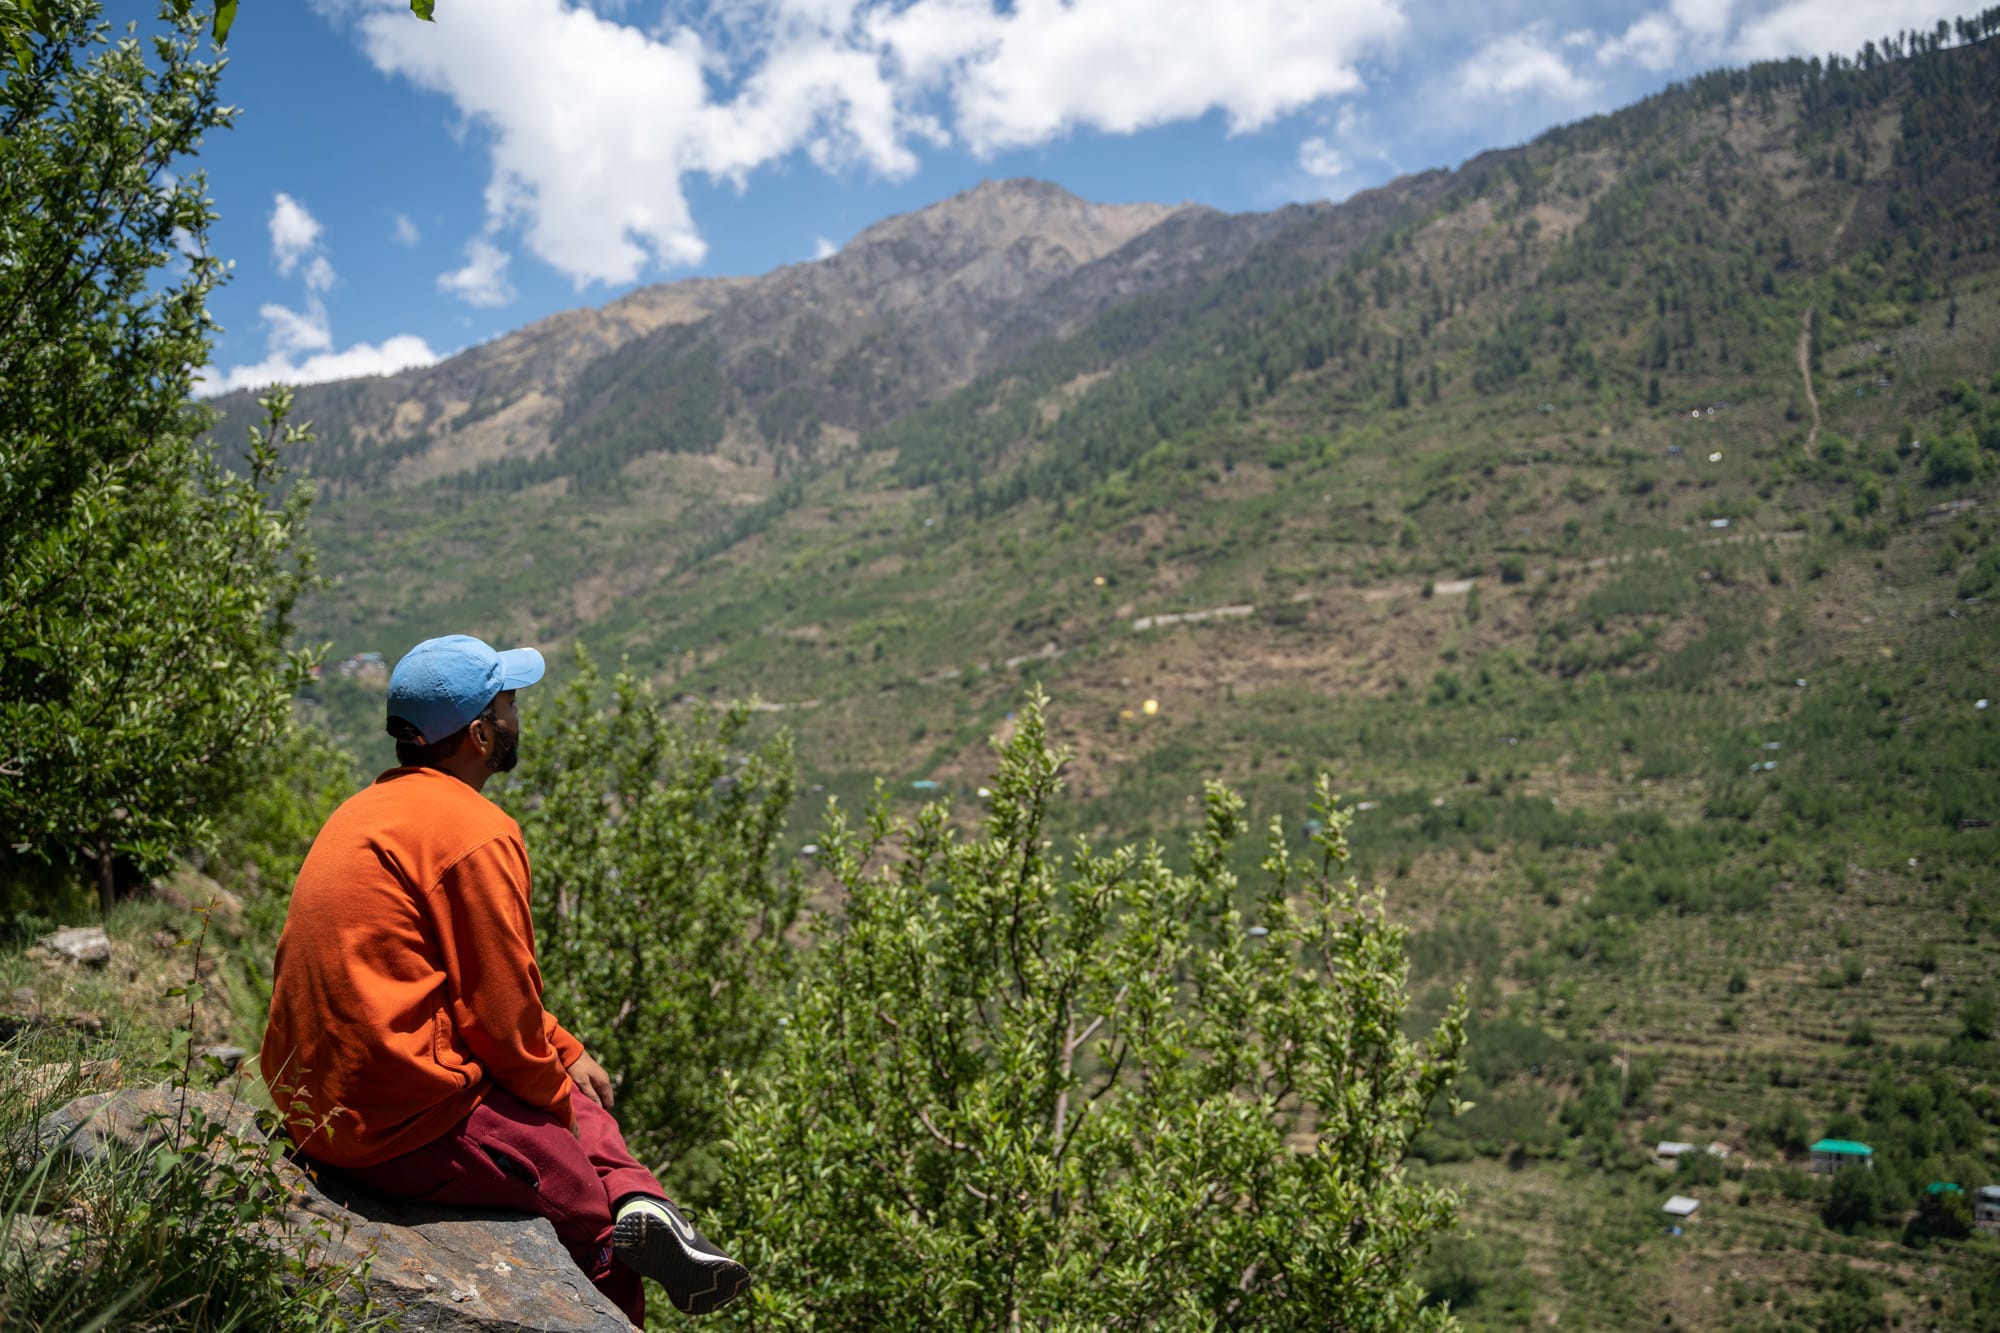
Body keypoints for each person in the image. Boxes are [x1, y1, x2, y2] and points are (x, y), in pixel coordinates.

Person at [259, 634, 748, 1322]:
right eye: (509, 702)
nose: (519, 714)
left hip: (316, 1101)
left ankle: (647, 1201)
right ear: (483, 733)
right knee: (580, 1200)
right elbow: (500, 1018)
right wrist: (559, 1109)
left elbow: (460, 980)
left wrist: (567, 1053)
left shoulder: (366, 811)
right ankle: (626, 1235)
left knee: (574, 1092)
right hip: (392, 1124)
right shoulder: (475, 831)